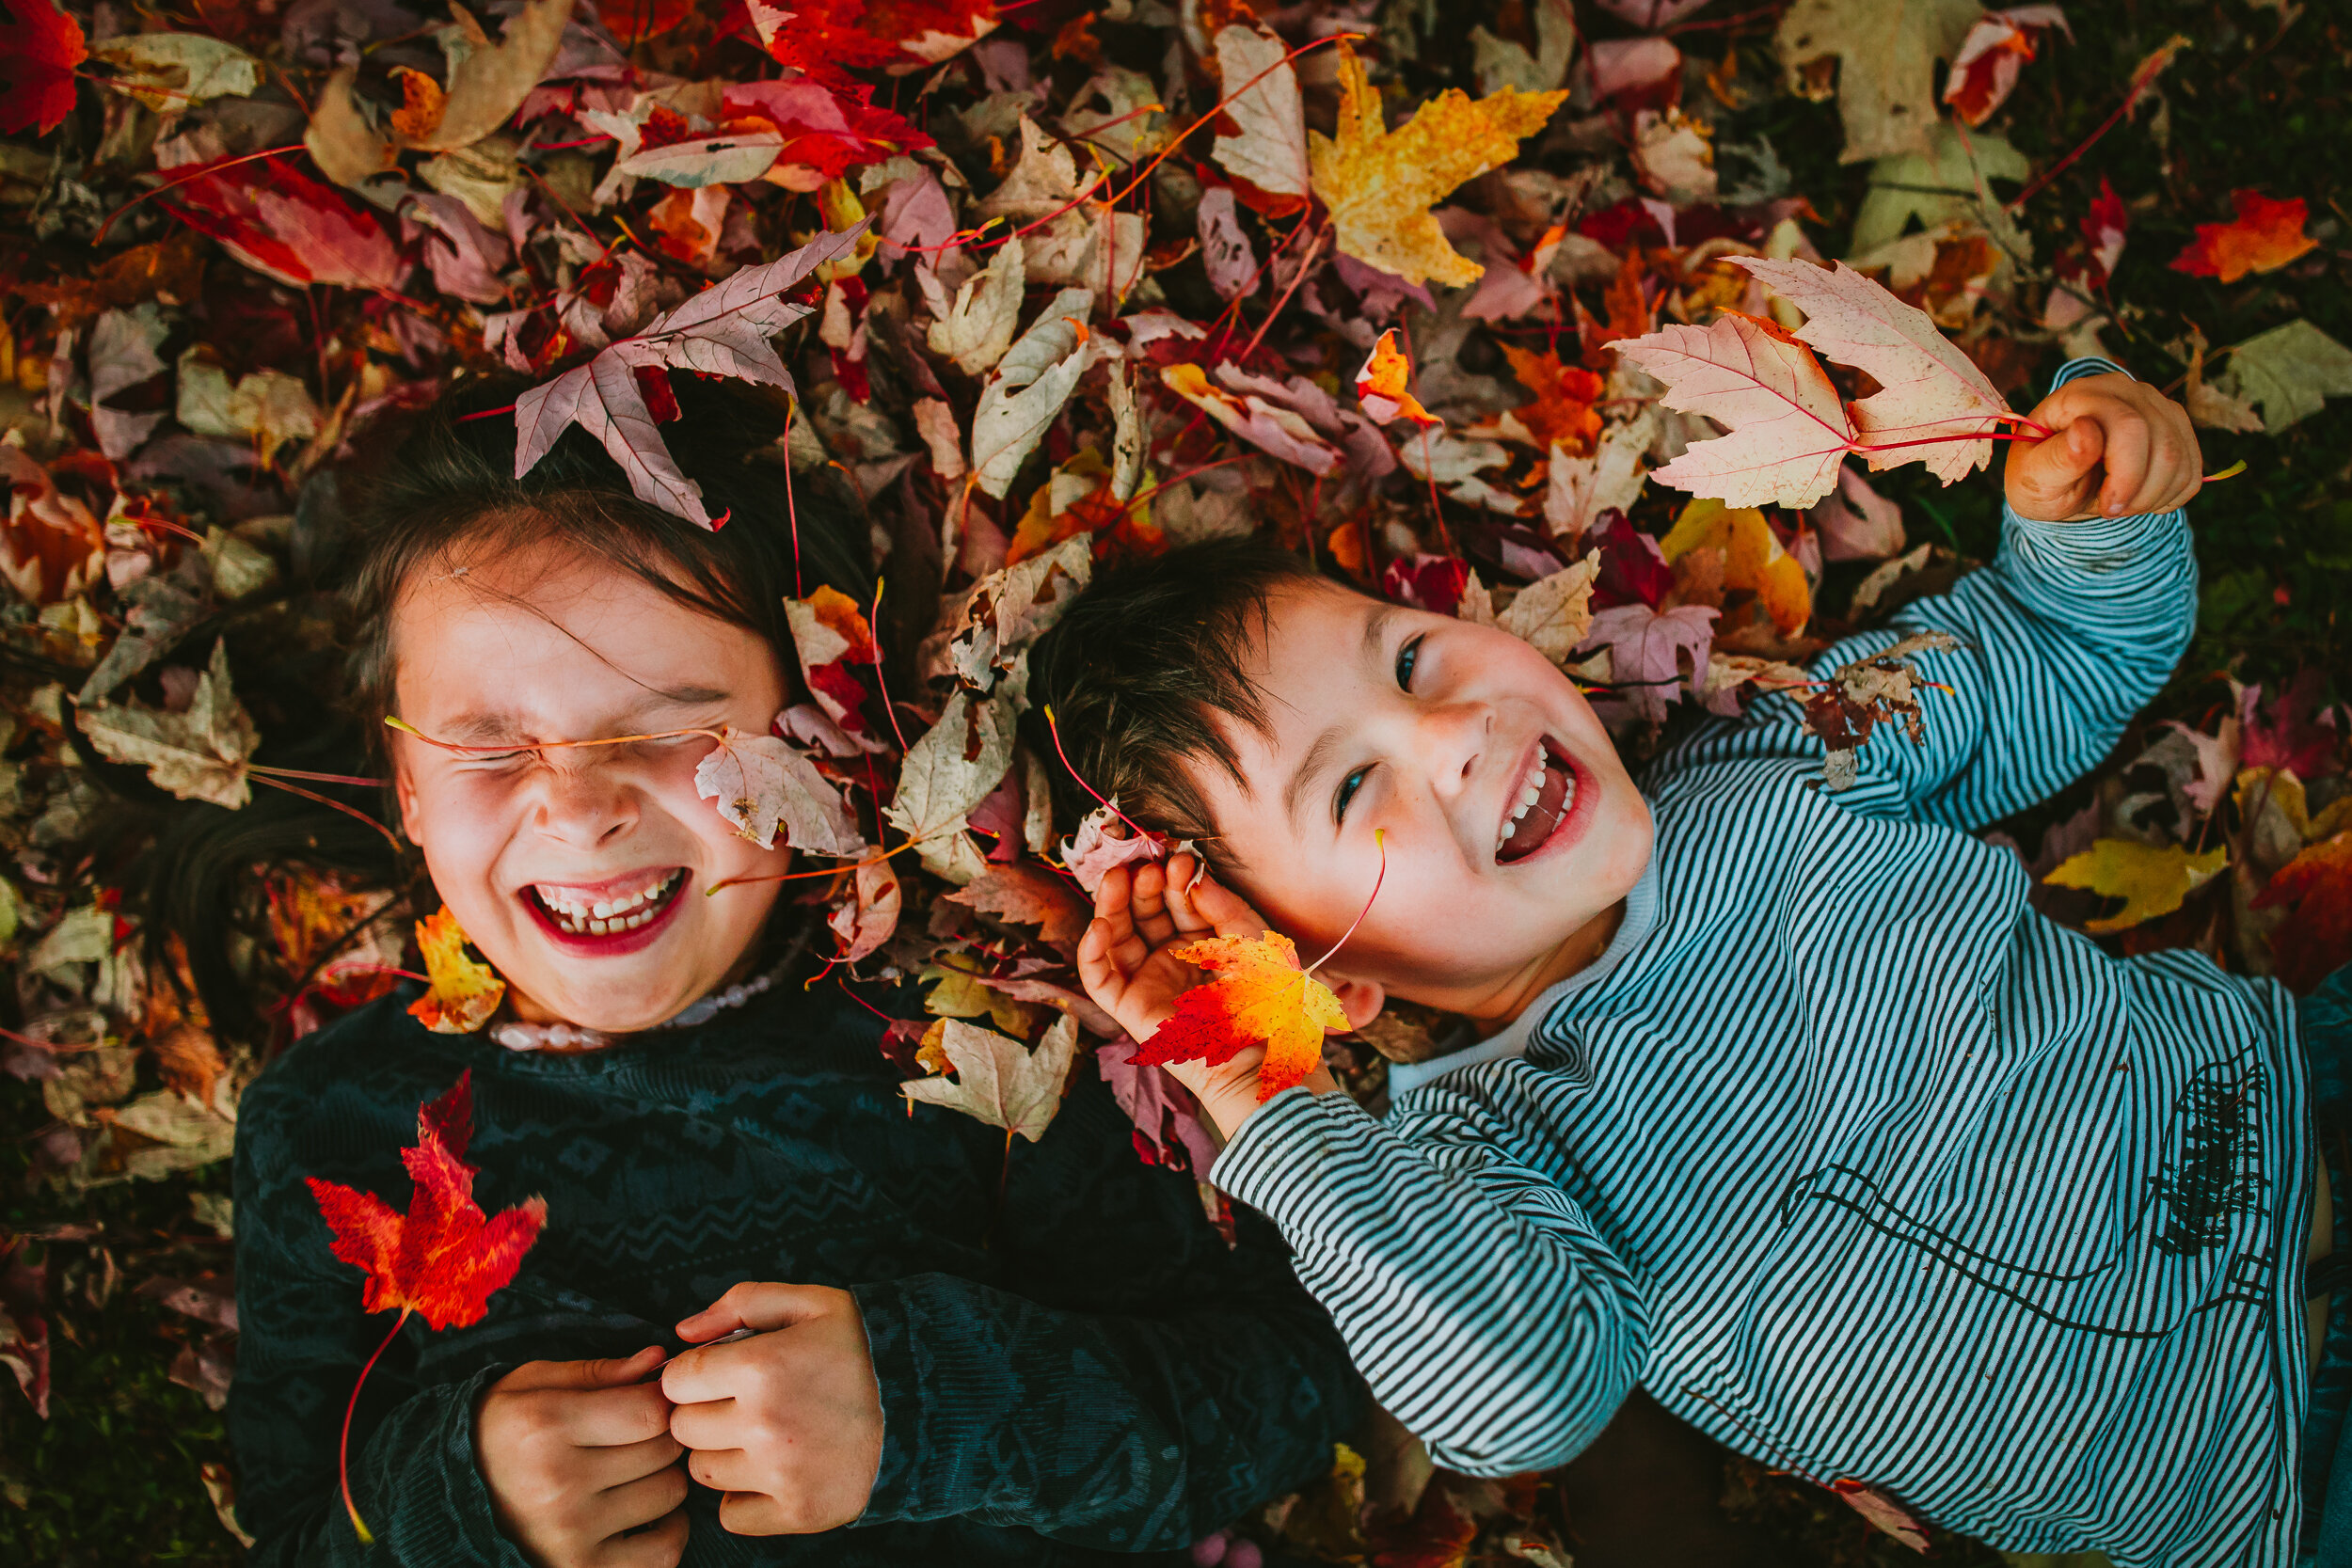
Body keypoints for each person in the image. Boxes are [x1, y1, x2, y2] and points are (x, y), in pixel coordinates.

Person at [1032, 356, 2352, 1566]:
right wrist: (1260, 1088)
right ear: (1331, 978)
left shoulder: (1778, 760)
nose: (1452, 734)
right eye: (1352, 785)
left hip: (2303, 1095)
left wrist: (2093, 518)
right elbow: (1518, 1392)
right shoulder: (1485, 1165)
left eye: (1413, 656)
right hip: (2269, 1475)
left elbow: (2050, 652)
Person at [179, 380, 1361, 1566]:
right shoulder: (332, 1119)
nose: (580, 810)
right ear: (406, 783)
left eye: (668, 731)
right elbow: (291, 1524)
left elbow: (1287, 1387)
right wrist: (458, 1510)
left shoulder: (975, 1048)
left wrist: (926, 1409)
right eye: (489, 746)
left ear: (814, 741)